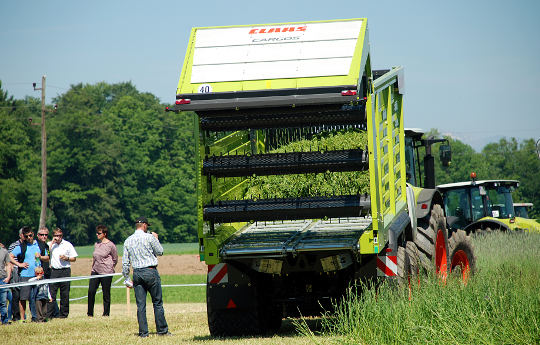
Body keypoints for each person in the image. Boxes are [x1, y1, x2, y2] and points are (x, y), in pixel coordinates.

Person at [123, 217, 171, 337]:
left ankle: (143, 332)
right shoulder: (149, 237)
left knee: (141, 305)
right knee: (157, 302)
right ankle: (162, 331)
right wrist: (156, 239)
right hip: (150, 271)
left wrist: (127, 278)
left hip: (137, 273)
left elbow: (125, 263)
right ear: (144, 225)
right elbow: (160, 251)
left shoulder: (128, 240)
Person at [9, 226, 49, 322]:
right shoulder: (21, 246)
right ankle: (22, 319)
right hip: (24, 275)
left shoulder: (40, 245)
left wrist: (41, 257)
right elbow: (10, 256)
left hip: (37, 275)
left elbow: (47, 258)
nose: (29, 238)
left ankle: (36, 317)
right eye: (26, 236)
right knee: (23, 298)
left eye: (30, 235)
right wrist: (19, 264)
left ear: (33, 234)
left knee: (38, 297)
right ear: (23, 236)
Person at [87, 225, 118, 317]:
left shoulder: (110, 245)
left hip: (106, 272)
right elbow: (95, 257)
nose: (97, 234)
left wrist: (110, 267)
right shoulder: (96, 244)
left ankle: (106, 313)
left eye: (99, 233)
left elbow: (115, 258)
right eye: (97, 233)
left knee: (106, 293)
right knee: (91, 291)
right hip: (95, 271)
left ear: (104, 234)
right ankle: (90, 313)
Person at [48, 227, 78, 319]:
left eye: (60, 236)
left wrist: (67, 258)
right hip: (54, 271)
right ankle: (50, 314)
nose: (58, 237)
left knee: (65, 294)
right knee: (51, 294)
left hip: (65, 271)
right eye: (56, 235)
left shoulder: (67, 244)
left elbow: (74, 258)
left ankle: (63, 315)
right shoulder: (50, 244)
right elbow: (46, 254)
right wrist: (52, 243)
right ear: (53, 236)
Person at [7, 229, 24, 322]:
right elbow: (8, 258)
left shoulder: (28, 245)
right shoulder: (14, 245)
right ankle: (16, 315)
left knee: (24, 294)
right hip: (15, 271)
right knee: (16, 294)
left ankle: (22, 314)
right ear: (20, 235)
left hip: (25, 271)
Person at [0, 242, 12, 324]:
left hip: (2, 279)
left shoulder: (4, 251)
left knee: (3, 302)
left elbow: (8, 264)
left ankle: (4, 320)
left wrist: (8, 277)